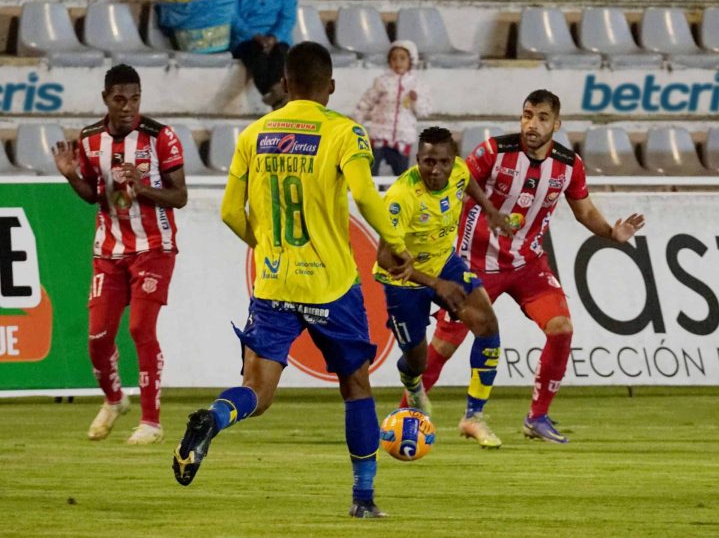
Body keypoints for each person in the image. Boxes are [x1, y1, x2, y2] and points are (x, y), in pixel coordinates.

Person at [172, 41, 413, 519]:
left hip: (274, 285)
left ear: (284, 83)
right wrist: (395, 241)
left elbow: (228, 213)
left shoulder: (254, 134)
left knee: (256, 393)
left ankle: (213, 418)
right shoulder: (345, 132)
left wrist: (266, 247)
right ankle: (363, 500)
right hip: (331, 285)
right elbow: (365, 194)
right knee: (356, 386)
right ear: (331, 87)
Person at [408, 89, 645, 445]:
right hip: (475, 263)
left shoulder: (568, 165)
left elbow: (584, 211)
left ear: (557, 123)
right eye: (527, 115)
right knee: (442, 347)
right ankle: (403, 416)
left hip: (527, 264)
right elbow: (452, 186)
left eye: (542, 117)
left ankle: (537, 418)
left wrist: (612, 232)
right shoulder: (493, 152)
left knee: (561, 327)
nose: (532, 124)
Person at [52, 64, 188, 445]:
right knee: (97, 338)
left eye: (135, 99)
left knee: (141, 328)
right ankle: (115, 400)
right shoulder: (90, 139)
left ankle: (151, 422)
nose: (128, 107)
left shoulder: (161, 137)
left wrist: (143, 188)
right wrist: (71, 176)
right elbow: (97, 196)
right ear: (106, 99)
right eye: (119, 99)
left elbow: (180, 196)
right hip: (109, 251)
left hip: (154, 248)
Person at [374, 126, 512, 449]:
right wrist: (436, 284)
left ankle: (474, 415)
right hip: (403, 282)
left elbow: (468, 183)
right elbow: (383, 257)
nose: (436, 170)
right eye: (428, 162)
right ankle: (412, 384)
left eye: (443, 162)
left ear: (453, 161)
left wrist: (490, 211)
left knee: (487, 324)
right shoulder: (401, 196)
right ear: (417, 159)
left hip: (445, 263)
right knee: (417, 362)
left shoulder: (458, 171)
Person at [354, 40, 432, 176]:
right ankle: (371, 194)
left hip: (403, 137)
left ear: (411, 61)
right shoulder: (382, 82)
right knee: (371, 169)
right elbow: (367, 101)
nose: (398, 62)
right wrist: (356, 119)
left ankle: (397, 195)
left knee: (401, 174)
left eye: (402, 58)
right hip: (380, 133)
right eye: (394, 58)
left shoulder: (416, 85)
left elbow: (424, 111)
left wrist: (416, 100)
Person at [231, 0, 297, 109]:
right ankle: (279, 98)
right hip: (246, 39)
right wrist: (255, 36)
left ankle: (275, 98)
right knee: (258, 56)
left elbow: (289, 16)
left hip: (278, 38)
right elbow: (233, 17)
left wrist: (274, 37)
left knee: (280, 54)